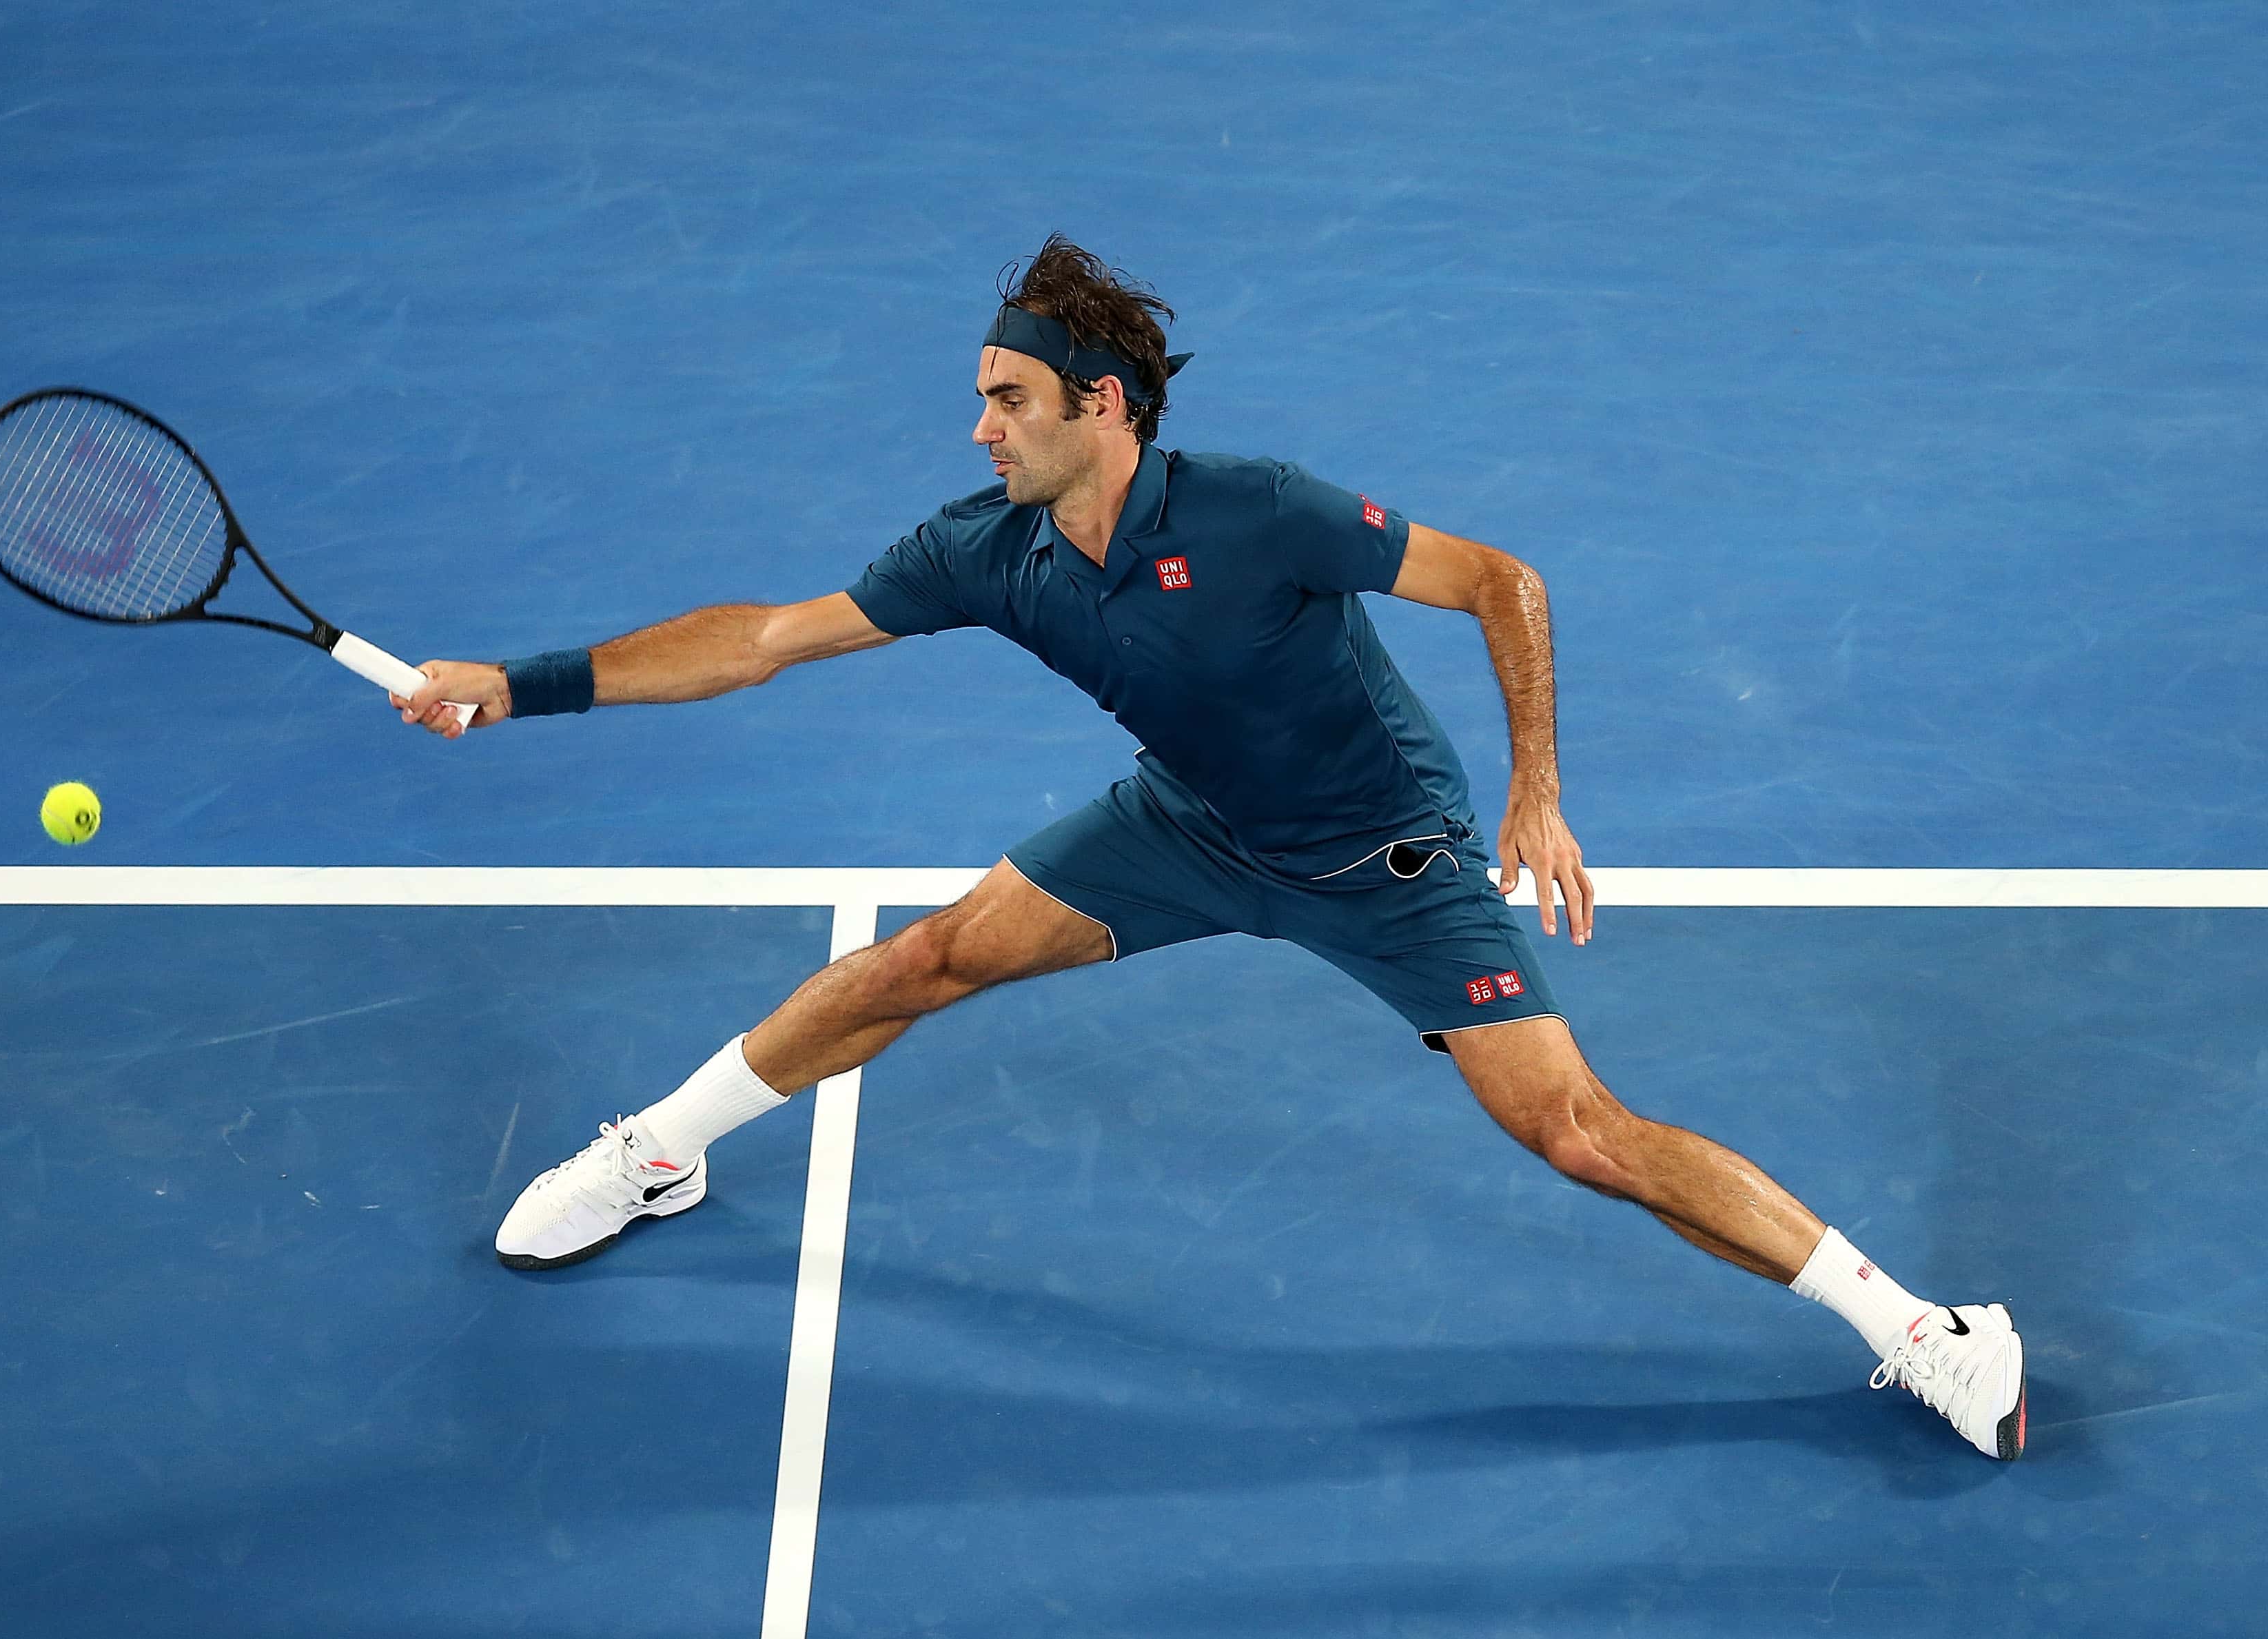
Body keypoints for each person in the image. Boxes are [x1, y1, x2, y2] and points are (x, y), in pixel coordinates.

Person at [393, 236, 2026, 1460]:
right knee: (926, 954)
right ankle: (657, 1149)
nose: (979, 430)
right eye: (979, 400)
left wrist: (1534, 787)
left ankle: (1925, 1329)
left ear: (1097, 409)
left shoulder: (1256, 509)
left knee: (1579, 1133)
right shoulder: (988, 551)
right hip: (1188, 825)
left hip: (1387, 861)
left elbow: (1501, 582)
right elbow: (757, 637)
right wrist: (515, 689)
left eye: (1005, 400)